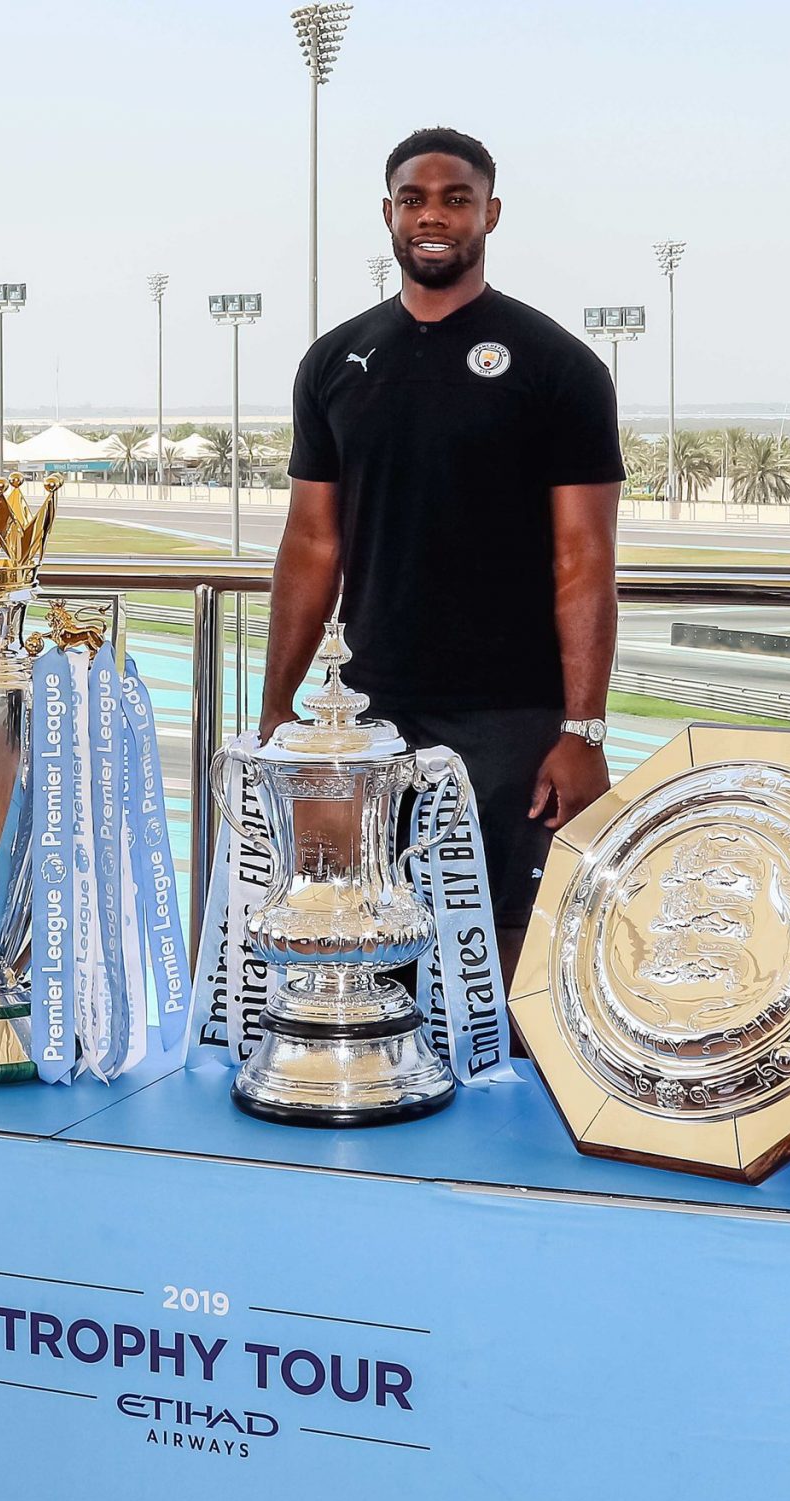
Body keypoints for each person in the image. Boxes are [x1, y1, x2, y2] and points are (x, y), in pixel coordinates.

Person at [262, 125, 621, 968]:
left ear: (489, 214)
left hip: (513, 717)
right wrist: (279, 706)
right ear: (388, 214)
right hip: (371, 709)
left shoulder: (557, 365)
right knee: (358, 928)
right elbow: (313, 545)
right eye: (415, 199)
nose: (435, 216)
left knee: (507, 948)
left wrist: (584, 729)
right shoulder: (334, 363)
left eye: (456, 199)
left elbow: (585, 561)